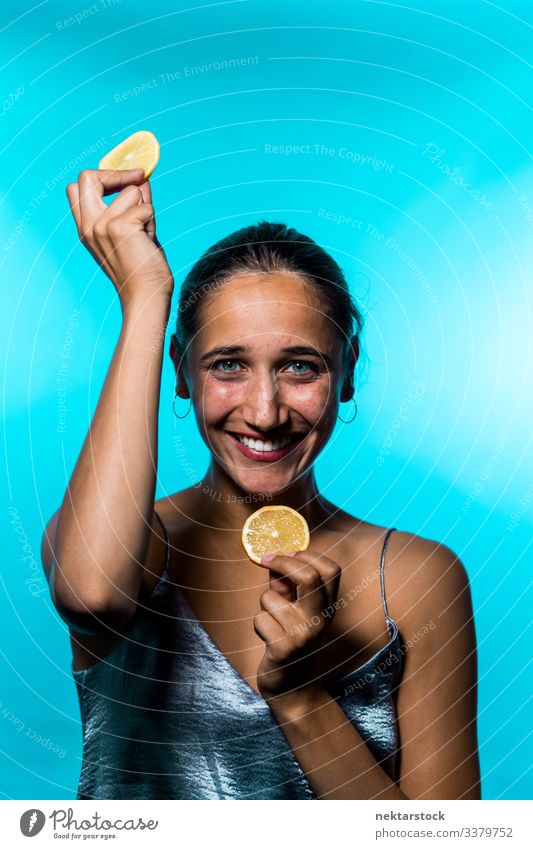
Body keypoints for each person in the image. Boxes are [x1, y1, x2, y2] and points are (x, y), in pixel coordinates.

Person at [40, 168, 481, 800]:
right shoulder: (132, 547)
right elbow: (89, 598)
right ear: (182, 373)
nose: (266, 412)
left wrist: (302, 700)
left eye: (301, 367)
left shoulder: (416, 579)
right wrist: (143, 298)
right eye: (227, 365)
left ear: (347, 375)